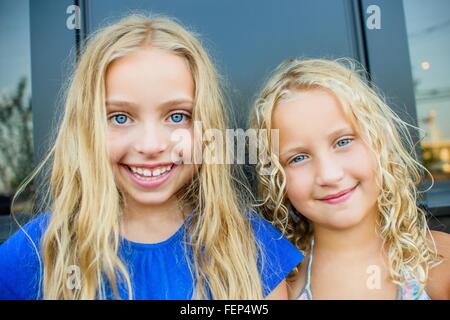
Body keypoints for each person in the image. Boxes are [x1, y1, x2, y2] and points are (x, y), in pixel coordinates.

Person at [0, 14, 303, 300]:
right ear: (87, 129)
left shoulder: (249, 246)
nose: (151, 144)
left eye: (176, 116)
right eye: (120, 118)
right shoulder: (39, 252)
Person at [249, 58, 449, 299]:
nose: (329, 175)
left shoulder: (438, 260)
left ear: (379, 141)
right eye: (299, 158)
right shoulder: (282, 283)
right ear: (276, 177)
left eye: (343, 142)